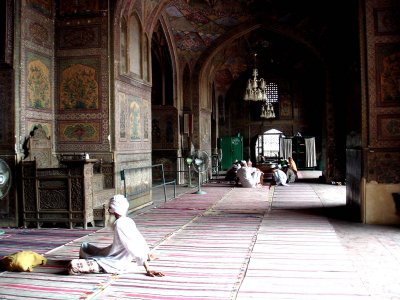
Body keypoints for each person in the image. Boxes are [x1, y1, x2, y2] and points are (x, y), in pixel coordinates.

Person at [67, 195, 164, 277]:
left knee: (73, 266)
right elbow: (139, 240)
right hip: (117, 256)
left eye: (109, 208)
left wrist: (147, 268)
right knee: (85, 246)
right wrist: (147, 254)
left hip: (116, 263)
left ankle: (94, 264)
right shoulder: (128, 220)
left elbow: (132, 246)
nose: (108, 210)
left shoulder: (120, 224)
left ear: (113, 209)